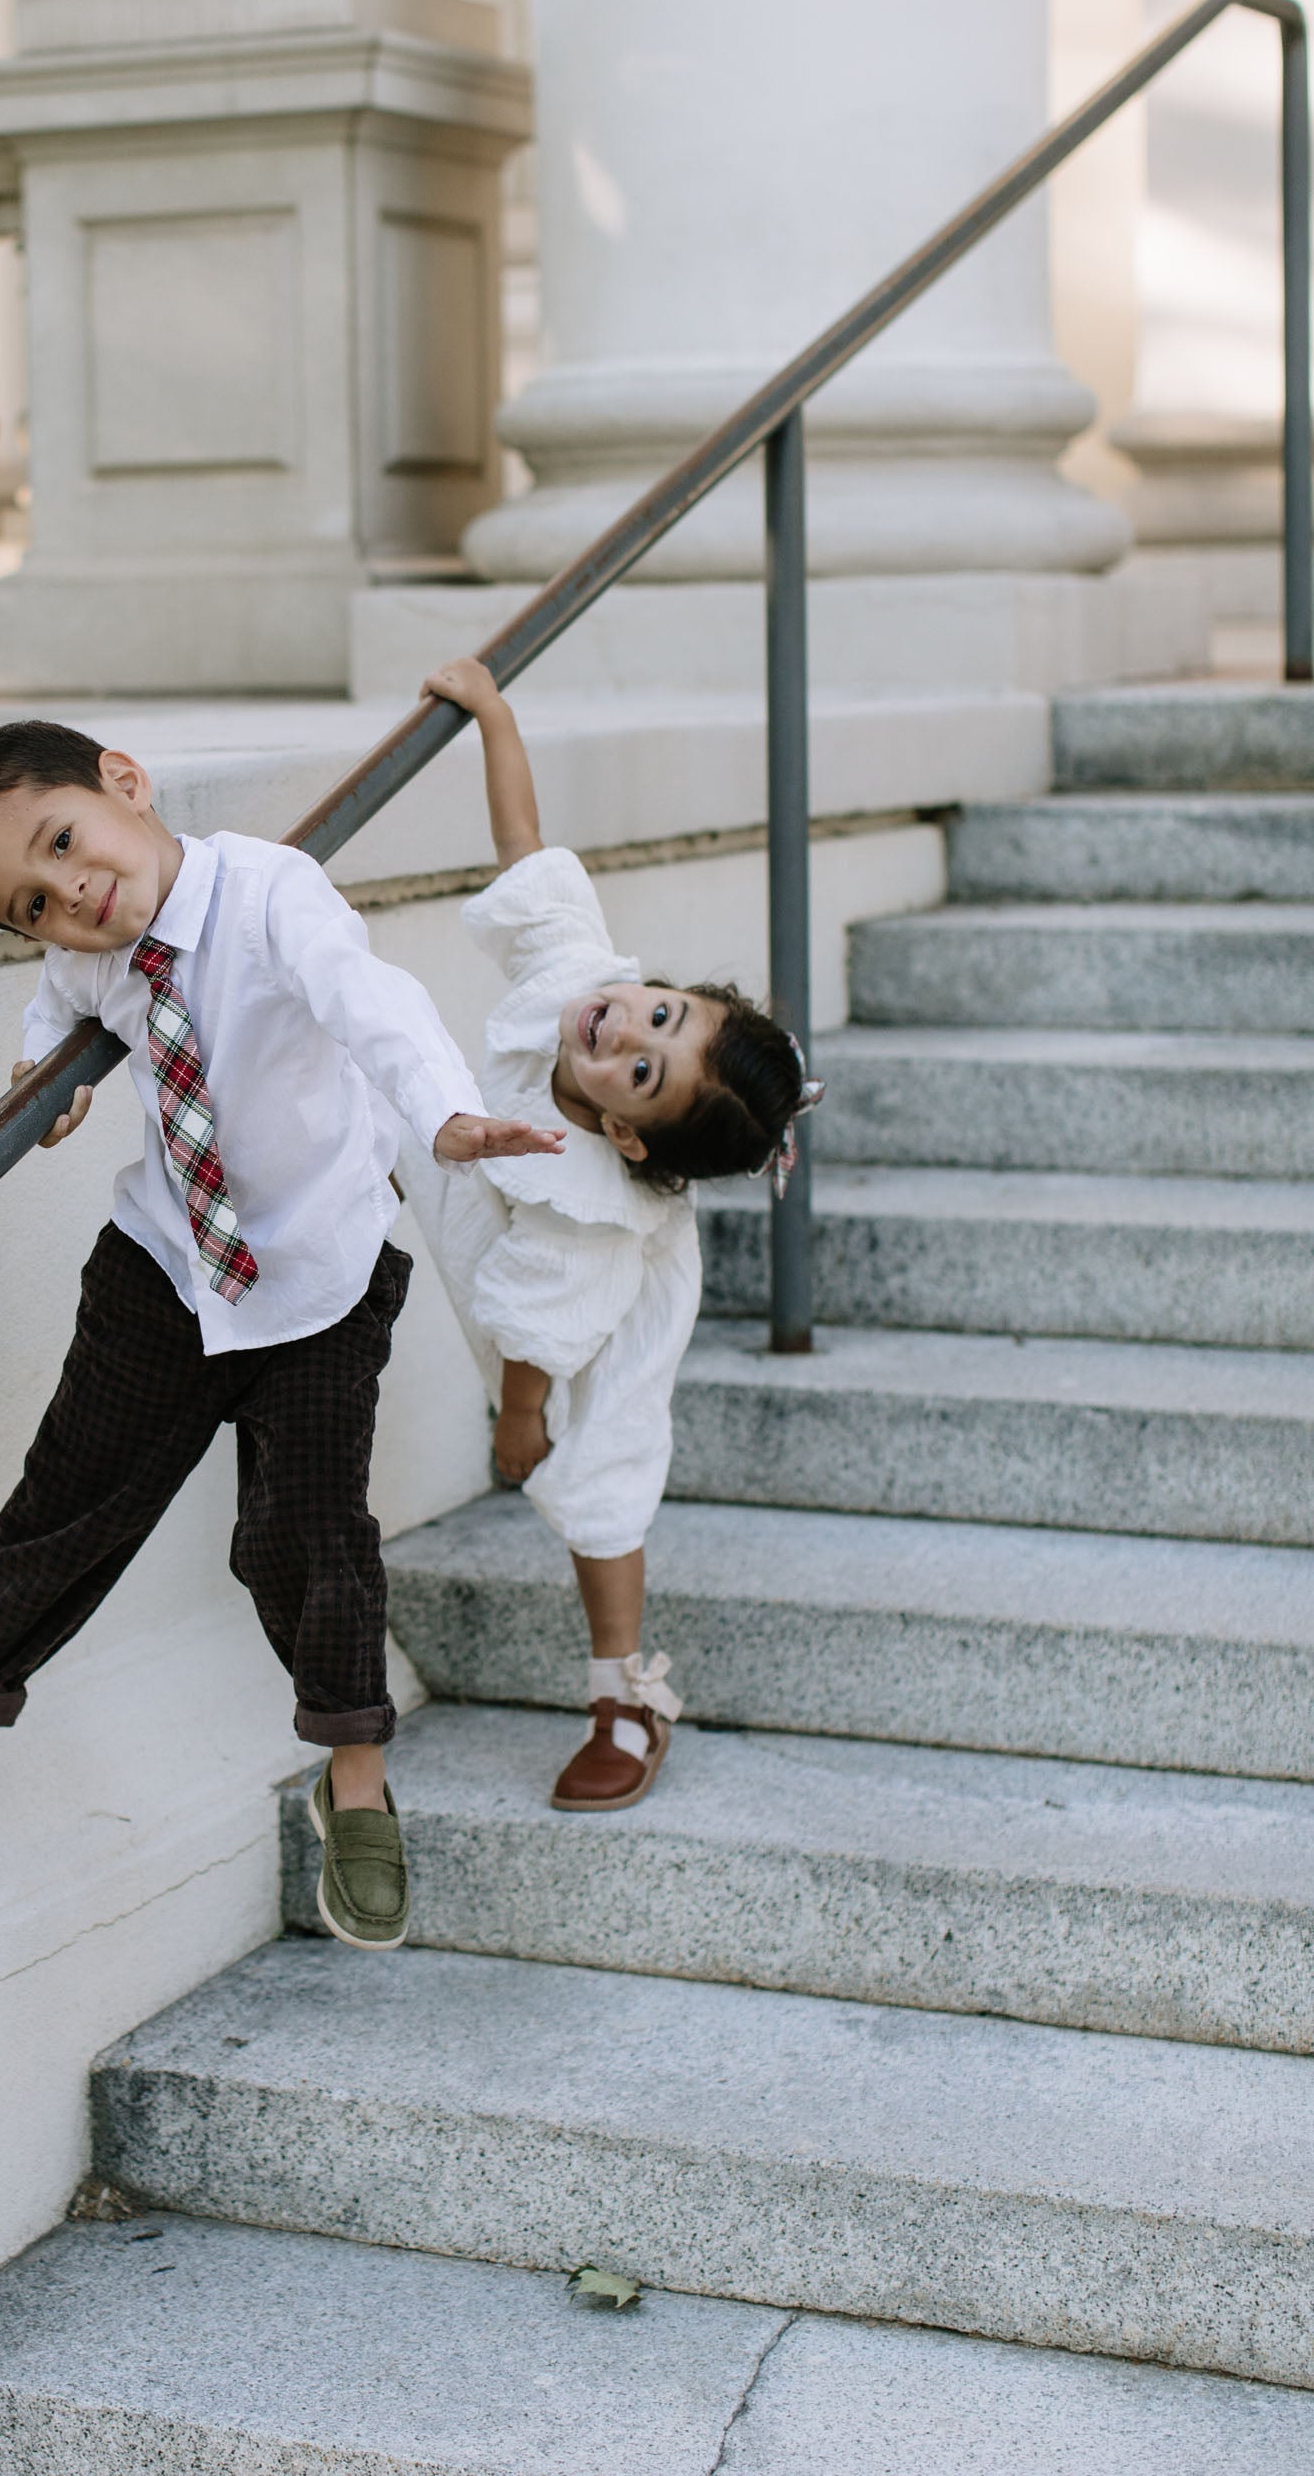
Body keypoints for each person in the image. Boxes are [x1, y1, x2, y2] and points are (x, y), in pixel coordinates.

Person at [0, 718, 562, 1950]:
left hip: (320, 1278)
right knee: (68, 1496)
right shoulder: (88, 957)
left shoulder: (270, 894)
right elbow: (54, 1007)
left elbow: (370, 1002)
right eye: (32, 903)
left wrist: (443, 1114)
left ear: (124, 783)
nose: (69, 895)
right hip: (165, 1270)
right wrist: (38, 1081)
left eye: (63, 844)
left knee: (304, 1532)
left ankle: (354, 1772)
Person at [397, 659, 816, 1812]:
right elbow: (526, 853)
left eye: (642, 1065)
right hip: (504, 1203)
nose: (624, 1026)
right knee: (390, 1095)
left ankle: (623, 1696)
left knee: (598, 1477)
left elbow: (539, 1330)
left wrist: (517, 1422)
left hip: (594, 1299)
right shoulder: (586, 982)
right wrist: (493, 715)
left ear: (631, 1136)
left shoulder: (592, 1206)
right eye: (660, 1013)